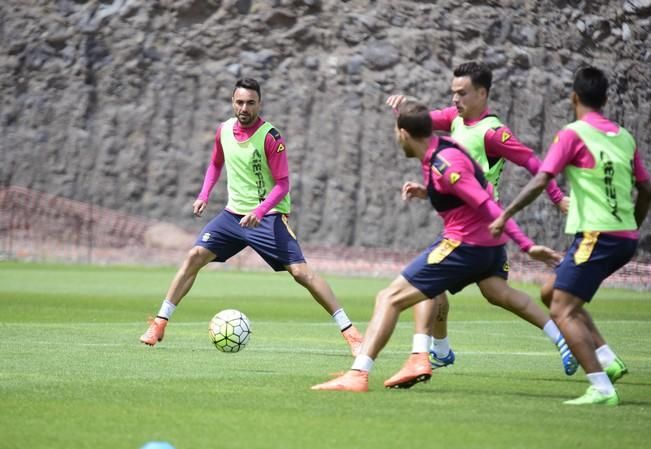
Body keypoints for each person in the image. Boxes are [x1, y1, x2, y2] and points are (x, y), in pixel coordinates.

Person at [311, 100, 562, 392]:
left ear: (403, 134)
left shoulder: (445, 163)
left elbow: (485, 202)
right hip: (484, 244)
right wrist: (427, 190)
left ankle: (367, 372)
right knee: (495, 293)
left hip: (465, 244)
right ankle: (563, 339)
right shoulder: (441, 150)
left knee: (390, 297)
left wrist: (527, 245)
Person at [383, 61, 574, 387]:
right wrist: (406, 106)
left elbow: (531, 160)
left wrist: (557, 197)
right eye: (453, 92)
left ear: (483, 93)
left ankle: (424, 355)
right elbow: (423, 122)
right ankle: (562, 338)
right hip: (476, 225)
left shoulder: (492, 131)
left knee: (425, 281)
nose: (455, 99)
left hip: (480, 225)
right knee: (497, 292)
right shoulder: (455, 118)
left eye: (462, 93)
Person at [139, 78, 363, 355]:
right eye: (240, 102)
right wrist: (204, 195)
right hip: (233, 217)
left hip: (267, 217)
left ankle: (351, 332)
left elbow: (283, 185)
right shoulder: (223, 131)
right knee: (194, 256)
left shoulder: (271, 137)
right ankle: (160, 322)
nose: (244, 108)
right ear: (233, 102)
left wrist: (260, 211)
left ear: (260, 103)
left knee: (301, 273)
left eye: (250, 103)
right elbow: (215, 163)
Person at [489, 66, 651, 405]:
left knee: (561, 308)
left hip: (598, 235)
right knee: (552, 291)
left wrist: (506, 214)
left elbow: (540, 180)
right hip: (622, 237)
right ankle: (607, 358)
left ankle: (601, 387)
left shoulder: (573, 134)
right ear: (605, 99)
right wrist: (633, 224)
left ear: (573, 97)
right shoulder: (623, 136)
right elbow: (646, 188)